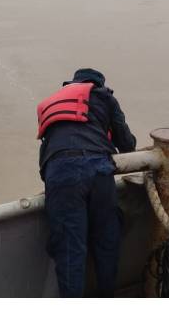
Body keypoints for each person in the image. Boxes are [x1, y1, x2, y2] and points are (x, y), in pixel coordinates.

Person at [37, 68, 136, 297]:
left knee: (70, 252)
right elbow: (127, 145)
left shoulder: (52, 104)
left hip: (60, 173)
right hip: (99, 171)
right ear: (98, 83)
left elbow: (45, 155)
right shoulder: (104, 96)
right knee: (106, 242)